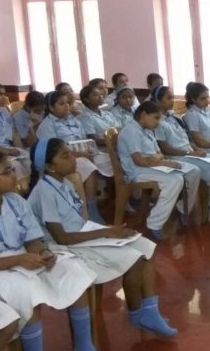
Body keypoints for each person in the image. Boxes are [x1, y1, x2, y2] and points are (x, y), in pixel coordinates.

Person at [27, 138, 177, 337]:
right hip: (63, 246)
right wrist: (106, 232)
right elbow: (61, 237)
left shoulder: (63, 183)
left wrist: (107, 230)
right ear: (49, 166)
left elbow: (77, 221)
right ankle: (137, 312)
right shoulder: (44, 191)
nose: (73, 158)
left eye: (71, 152)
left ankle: (148, 311)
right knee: (133, 257)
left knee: (145, 246)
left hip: (81, 235)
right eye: (65, 156)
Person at [0, 151, 97, 351]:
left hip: (24, 258)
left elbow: (32, 238)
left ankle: (84, 345)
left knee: (72, 271)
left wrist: (43, 252)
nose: (14, 175)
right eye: (7, 171)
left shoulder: (15, 201)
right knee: (26, 292)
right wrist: (18, 260)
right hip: (1, 268)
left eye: (12, 169)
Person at [118, 102, 200, 240]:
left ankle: (182, 209)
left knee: (194, 171)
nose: (159, 122)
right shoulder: (130, 131)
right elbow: (140, 161)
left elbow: (158, 153)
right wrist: (163, 162)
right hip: (138, 171)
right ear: (143, 115)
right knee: (175, 180)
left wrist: (158, 160)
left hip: (153, 165)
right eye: (156, 118)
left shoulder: (147, 130)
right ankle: (155, 223)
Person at [151, 86, 210, 221]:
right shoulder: (157, 121)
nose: (172, 101)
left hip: (189, 152)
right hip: (176, 155)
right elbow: (165, 149)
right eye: (168, 98)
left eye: (172, 97)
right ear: (158, 101)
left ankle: (209, 202)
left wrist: (195, 150)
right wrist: (188, 152)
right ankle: (187, 207)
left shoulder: (174, 118)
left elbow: (187, 139)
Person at [36, 91, 113, 221]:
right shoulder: (47, 125)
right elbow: (52, 152)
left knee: (113, 160)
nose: (66, 106)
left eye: (67, 103)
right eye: (61, 104)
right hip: (63, 159)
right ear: (51, 107)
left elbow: (84, 138)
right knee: (88, 166)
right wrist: (79, 154)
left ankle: (119, 197)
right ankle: (91, 208)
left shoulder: (73, 119)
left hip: (83, 154)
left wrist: (89, 149)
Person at [0, 84, 30, 179]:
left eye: (4, 94)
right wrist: (5, 150)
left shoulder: (4, 111)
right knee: (15, 166)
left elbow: (13, 132)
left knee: (29, 157)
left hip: (8, 148)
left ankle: (33, 187)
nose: (3, 97)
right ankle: (19, 189)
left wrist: (19, 149)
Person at [183, 82, 210, 153]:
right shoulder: (192, 115)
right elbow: (199, 142)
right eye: (203, 99)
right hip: (207, 150)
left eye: (207, 97)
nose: (207, 101)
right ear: (193, 99)